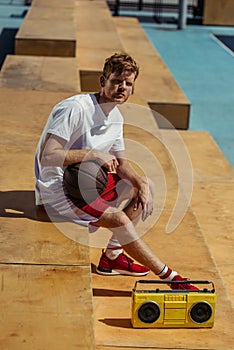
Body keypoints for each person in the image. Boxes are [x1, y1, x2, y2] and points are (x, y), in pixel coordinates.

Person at [35, 52, 198, 290]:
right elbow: (48, 156)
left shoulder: (116, 117)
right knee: (120, 219)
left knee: (144, 185)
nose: (122, 87)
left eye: (128, 84)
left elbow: (121, 165)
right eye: (116, 81)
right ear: (103, 81)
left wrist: (140, 184)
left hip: (85, 184)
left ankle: (111, 257)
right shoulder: (76, 109)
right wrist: (93, 155)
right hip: (59, 190)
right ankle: (171, 278)